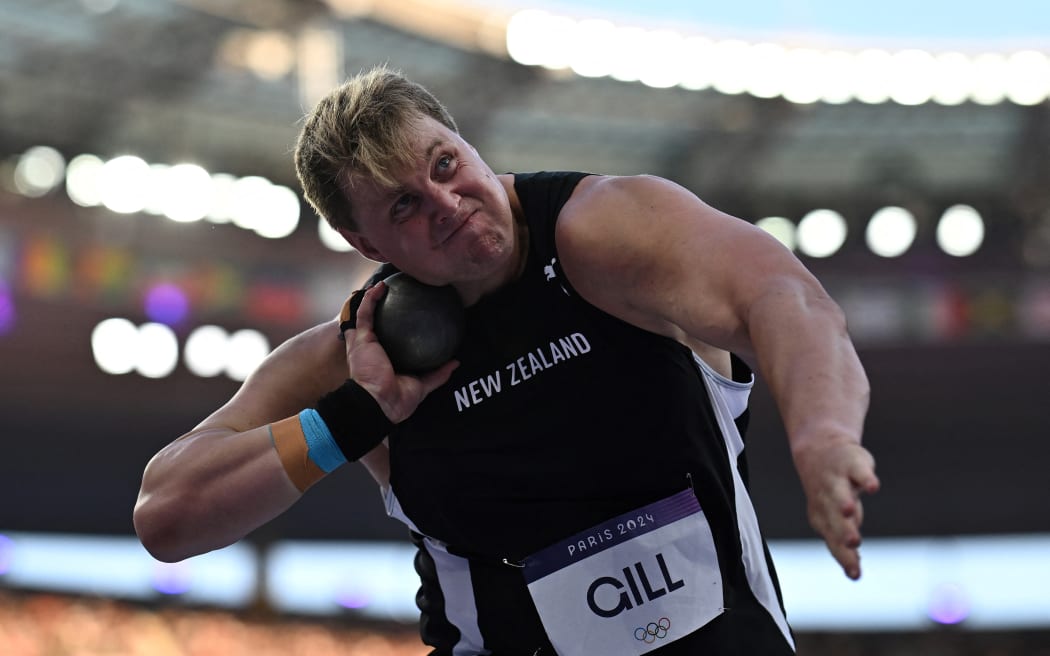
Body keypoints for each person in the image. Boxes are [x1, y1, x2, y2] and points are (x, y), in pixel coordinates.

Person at [134, 66, 879, 655]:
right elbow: (167, 516)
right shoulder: (360, 356)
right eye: (402, 206)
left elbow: (788, 297)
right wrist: (353, 419)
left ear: (469, 146)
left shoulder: (604, 236)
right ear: (366, 249)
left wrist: (822, 435)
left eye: (445, 164)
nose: (446, 202)